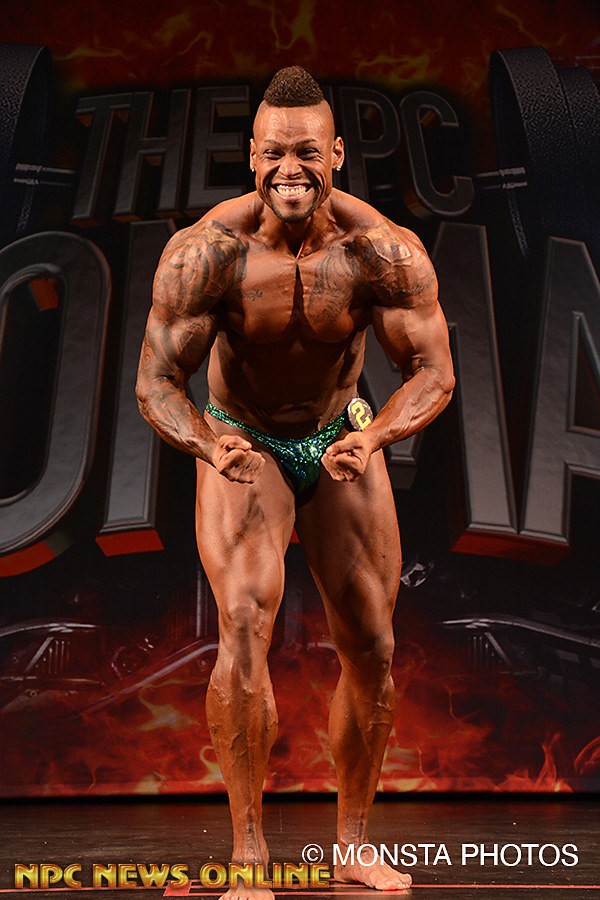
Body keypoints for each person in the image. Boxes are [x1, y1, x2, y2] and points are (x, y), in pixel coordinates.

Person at [136, 66, 455, 898]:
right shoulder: (207, 253)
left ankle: (352, 845)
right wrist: (208, 446)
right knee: (244, 624)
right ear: (251, 156)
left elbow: (433, 370)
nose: (290, 168)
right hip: (243, 440)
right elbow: (157, 382)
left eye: (307, 152)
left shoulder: (381, 250)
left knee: (374, 646)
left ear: (336, 154)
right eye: (274, 152)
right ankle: (249, 856)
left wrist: (376, 436)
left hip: (340, 432)